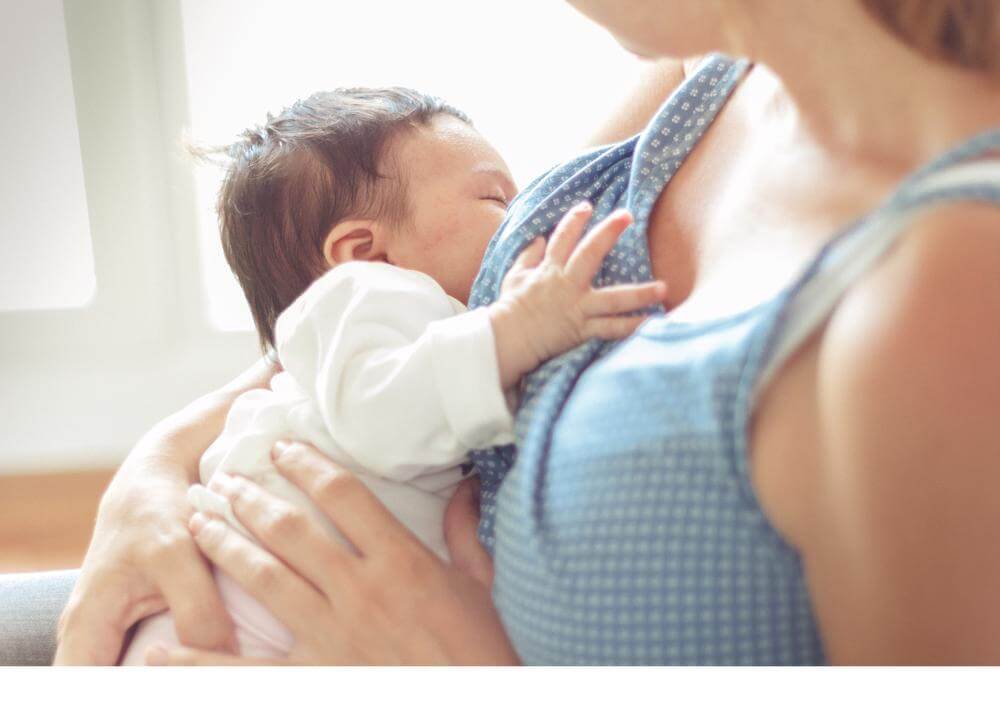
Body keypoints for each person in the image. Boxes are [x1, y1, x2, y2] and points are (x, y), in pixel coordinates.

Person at [6, 0, 997, 665]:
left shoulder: (941, 293)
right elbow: (364, 333)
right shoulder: (708, 78)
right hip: (240, 583)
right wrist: (154, 467)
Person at [115, 88, 663, 664]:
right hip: (226, 622)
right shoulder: (363, 294)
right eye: (495, 198)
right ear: (365, 251)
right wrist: (518, 331)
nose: (526, 217)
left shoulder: (415, 327)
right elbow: (380, 415)